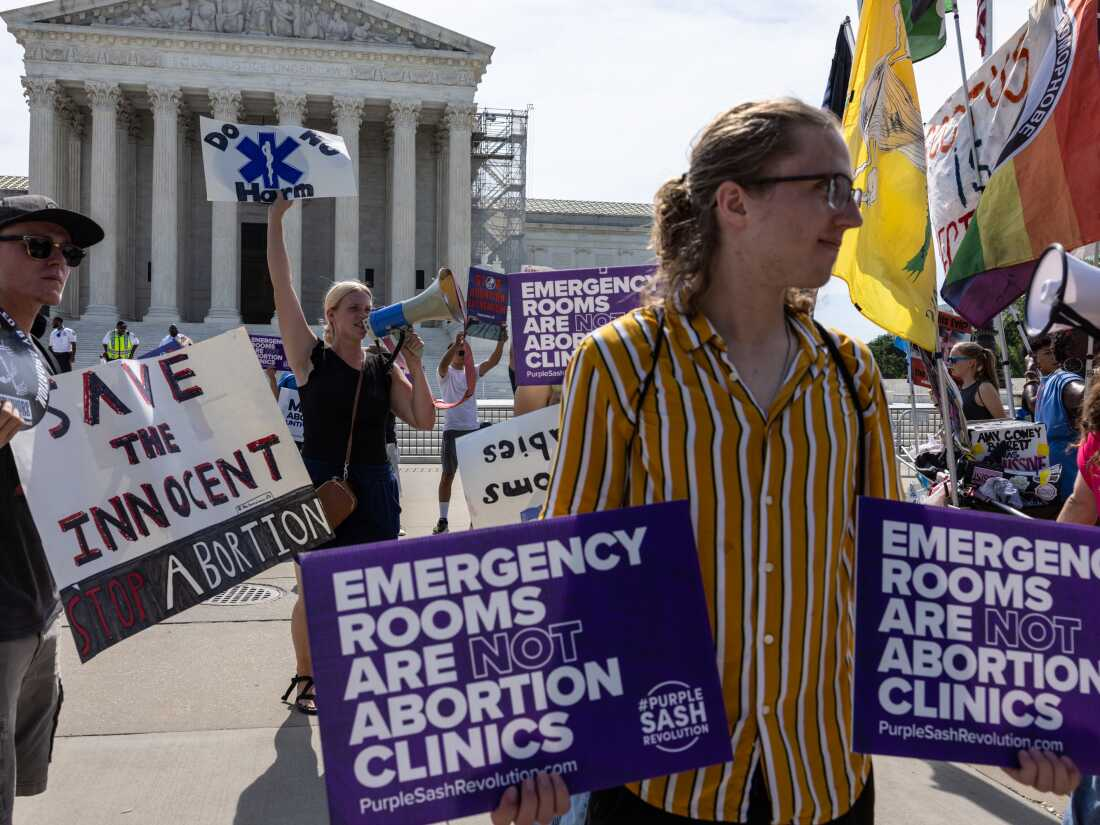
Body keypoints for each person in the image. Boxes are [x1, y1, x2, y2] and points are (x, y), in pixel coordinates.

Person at [491, 98, 1070, 825]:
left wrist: (1007, 721)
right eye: (828, 188)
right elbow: (563, 575)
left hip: (825, 784)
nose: (850, 216)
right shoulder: (621, 364)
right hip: (670, 788)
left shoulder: (850, 372)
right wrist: (531, 749)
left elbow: (895, 579)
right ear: (735, 203)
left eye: (849, 191)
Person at [266, 196, 435, 715]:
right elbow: (283, 288)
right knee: (313, 592)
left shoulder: (385, 364)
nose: (364, 315)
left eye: (368, 307)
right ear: (331, 316)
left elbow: (424, 419)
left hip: (375, 484)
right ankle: (308, 678)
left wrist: (417, 365)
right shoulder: (309, 358)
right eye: (353, 309)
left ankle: (366, 678)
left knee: (374, 592)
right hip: (319, 483)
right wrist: (275, 221)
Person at [0, 194, 103, 825]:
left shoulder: (36, 350)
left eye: (69, 252)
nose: (58, 261)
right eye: (37, 246)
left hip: (37, 603)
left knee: (18, 780)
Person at [433, 330, 506, 534]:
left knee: (474, 481)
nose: (461, 352)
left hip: (472, 432)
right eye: (457, 350)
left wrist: (500, 341)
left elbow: (492, 361)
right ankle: (443, 520)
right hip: (452, 432)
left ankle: (475, 521)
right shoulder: (445, 374)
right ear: (451, 352)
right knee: (447, 476)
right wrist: (455, 345)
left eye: (463, 350)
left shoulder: (471, 371)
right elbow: (441, 365)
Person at [1024, 332, 1085, 505]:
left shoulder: (1063, 378)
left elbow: (1081, 395)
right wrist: (1030, 373)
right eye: (1047, 353)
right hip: (1053, 479)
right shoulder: (1046, 381)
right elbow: (1033, 403)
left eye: (1052, 351)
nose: (1053, 356)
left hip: (1073, 479)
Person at [947, 341, 1004, 421]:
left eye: (953, 360)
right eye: (948, 359)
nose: (949, 364)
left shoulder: (984, 388)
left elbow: (1004, 422)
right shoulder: (960, 388)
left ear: (971, 362)